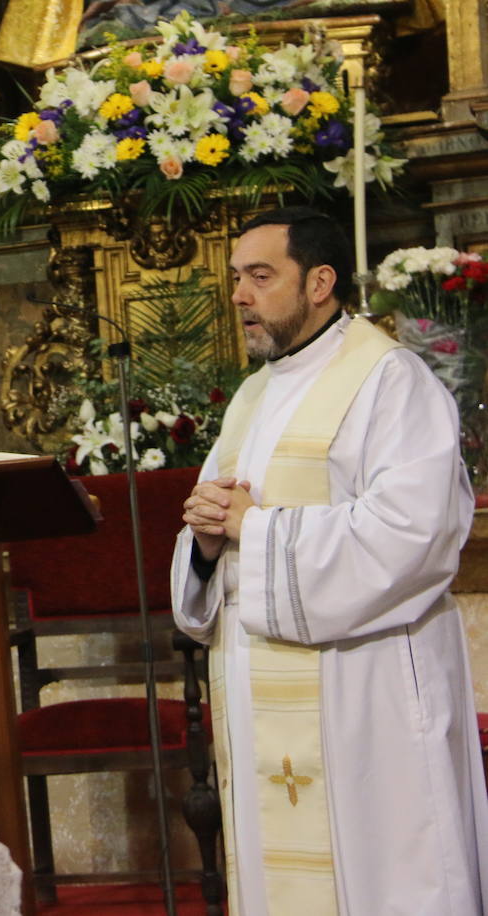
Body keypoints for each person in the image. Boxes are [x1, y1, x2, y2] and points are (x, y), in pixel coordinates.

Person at [172, 206, 488, 915]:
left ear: (320, 282)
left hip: (365, 692)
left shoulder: (390, 380)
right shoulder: (254, 394)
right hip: (266, 690)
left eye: (260, 276)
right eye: (235, 279)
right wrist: (207, 540)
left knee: (383, 875)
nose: (239, 296)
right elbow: (225, 523)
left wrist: (260, 529)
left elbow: (415, 534)